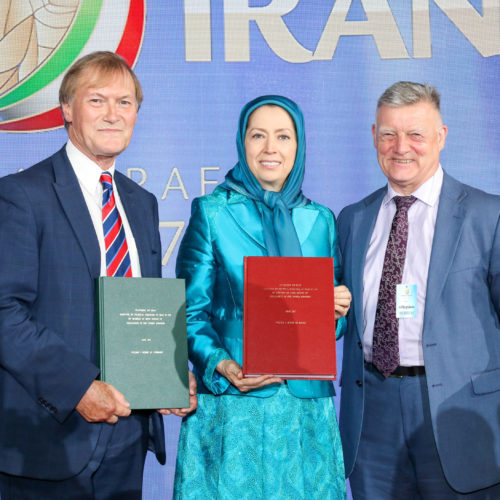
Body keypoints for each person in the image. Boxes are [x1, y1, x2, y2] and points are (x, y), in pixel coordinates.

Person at [0, 51, 196, 499]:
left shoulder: (142, 203)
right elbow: (4, 311)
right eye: (97, 100)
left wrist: (166, 372)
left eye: (125, 103)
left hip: (128, 439)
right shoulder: (20, 195)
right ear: (67, 109)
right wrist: (78, 387)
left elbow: (142, 308)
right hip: (49, 438)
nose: (113, 114)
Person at [173, 95, 351, 499]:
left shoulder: (320, 220)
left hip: (306, 409)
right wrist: (223, 365)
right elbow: (190, 312)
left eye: (283, 137)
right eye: (259, 135)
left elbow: (330, 323)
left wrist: (336, 311)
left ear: (298, 145)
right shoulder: (213, 212)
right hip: (236, 404)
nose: (271, 148)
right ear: (243, 142)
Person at [338, 81, 500, 498]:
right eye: (389, 134)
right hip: (371, 413)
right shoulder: (352, 219)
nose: (400, 147)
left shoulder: (488, 215)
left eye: (416, 135)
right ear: (374, 136)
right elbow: (337, 317)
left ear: (441, 137)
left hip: (457, 415)